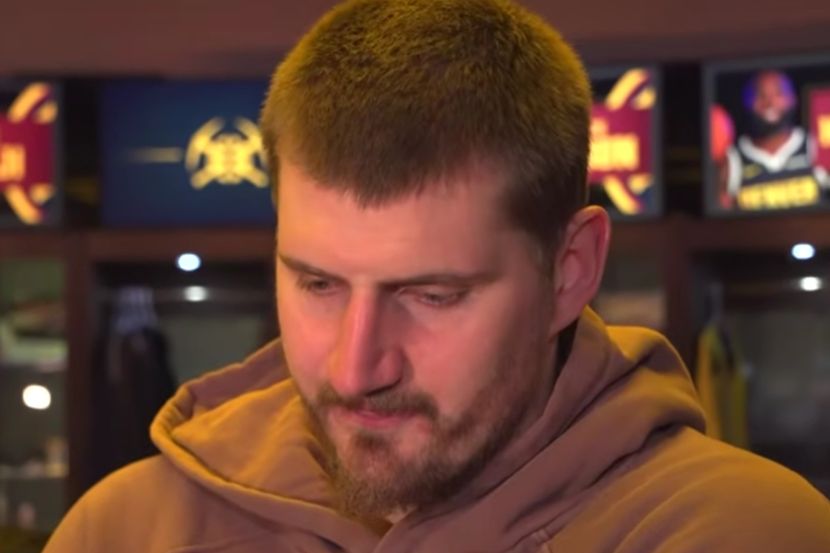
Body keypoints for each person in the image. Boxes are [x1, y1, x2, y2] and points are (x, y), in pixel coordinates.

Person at [46, 1, 830, 551]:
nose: (356, 367)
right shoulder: (123, 532)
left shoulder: (746, 534)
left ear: (570, 270)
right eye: (317, 284)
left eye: (431, 295)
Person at [721, 69, 829, 210]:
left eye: (779, 94)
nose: (769, 103)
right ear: (746, 101)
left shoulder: (815, 145)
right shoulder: (732, 157)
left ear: (793, 99)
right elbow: (720, 214)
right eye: (760, 95)